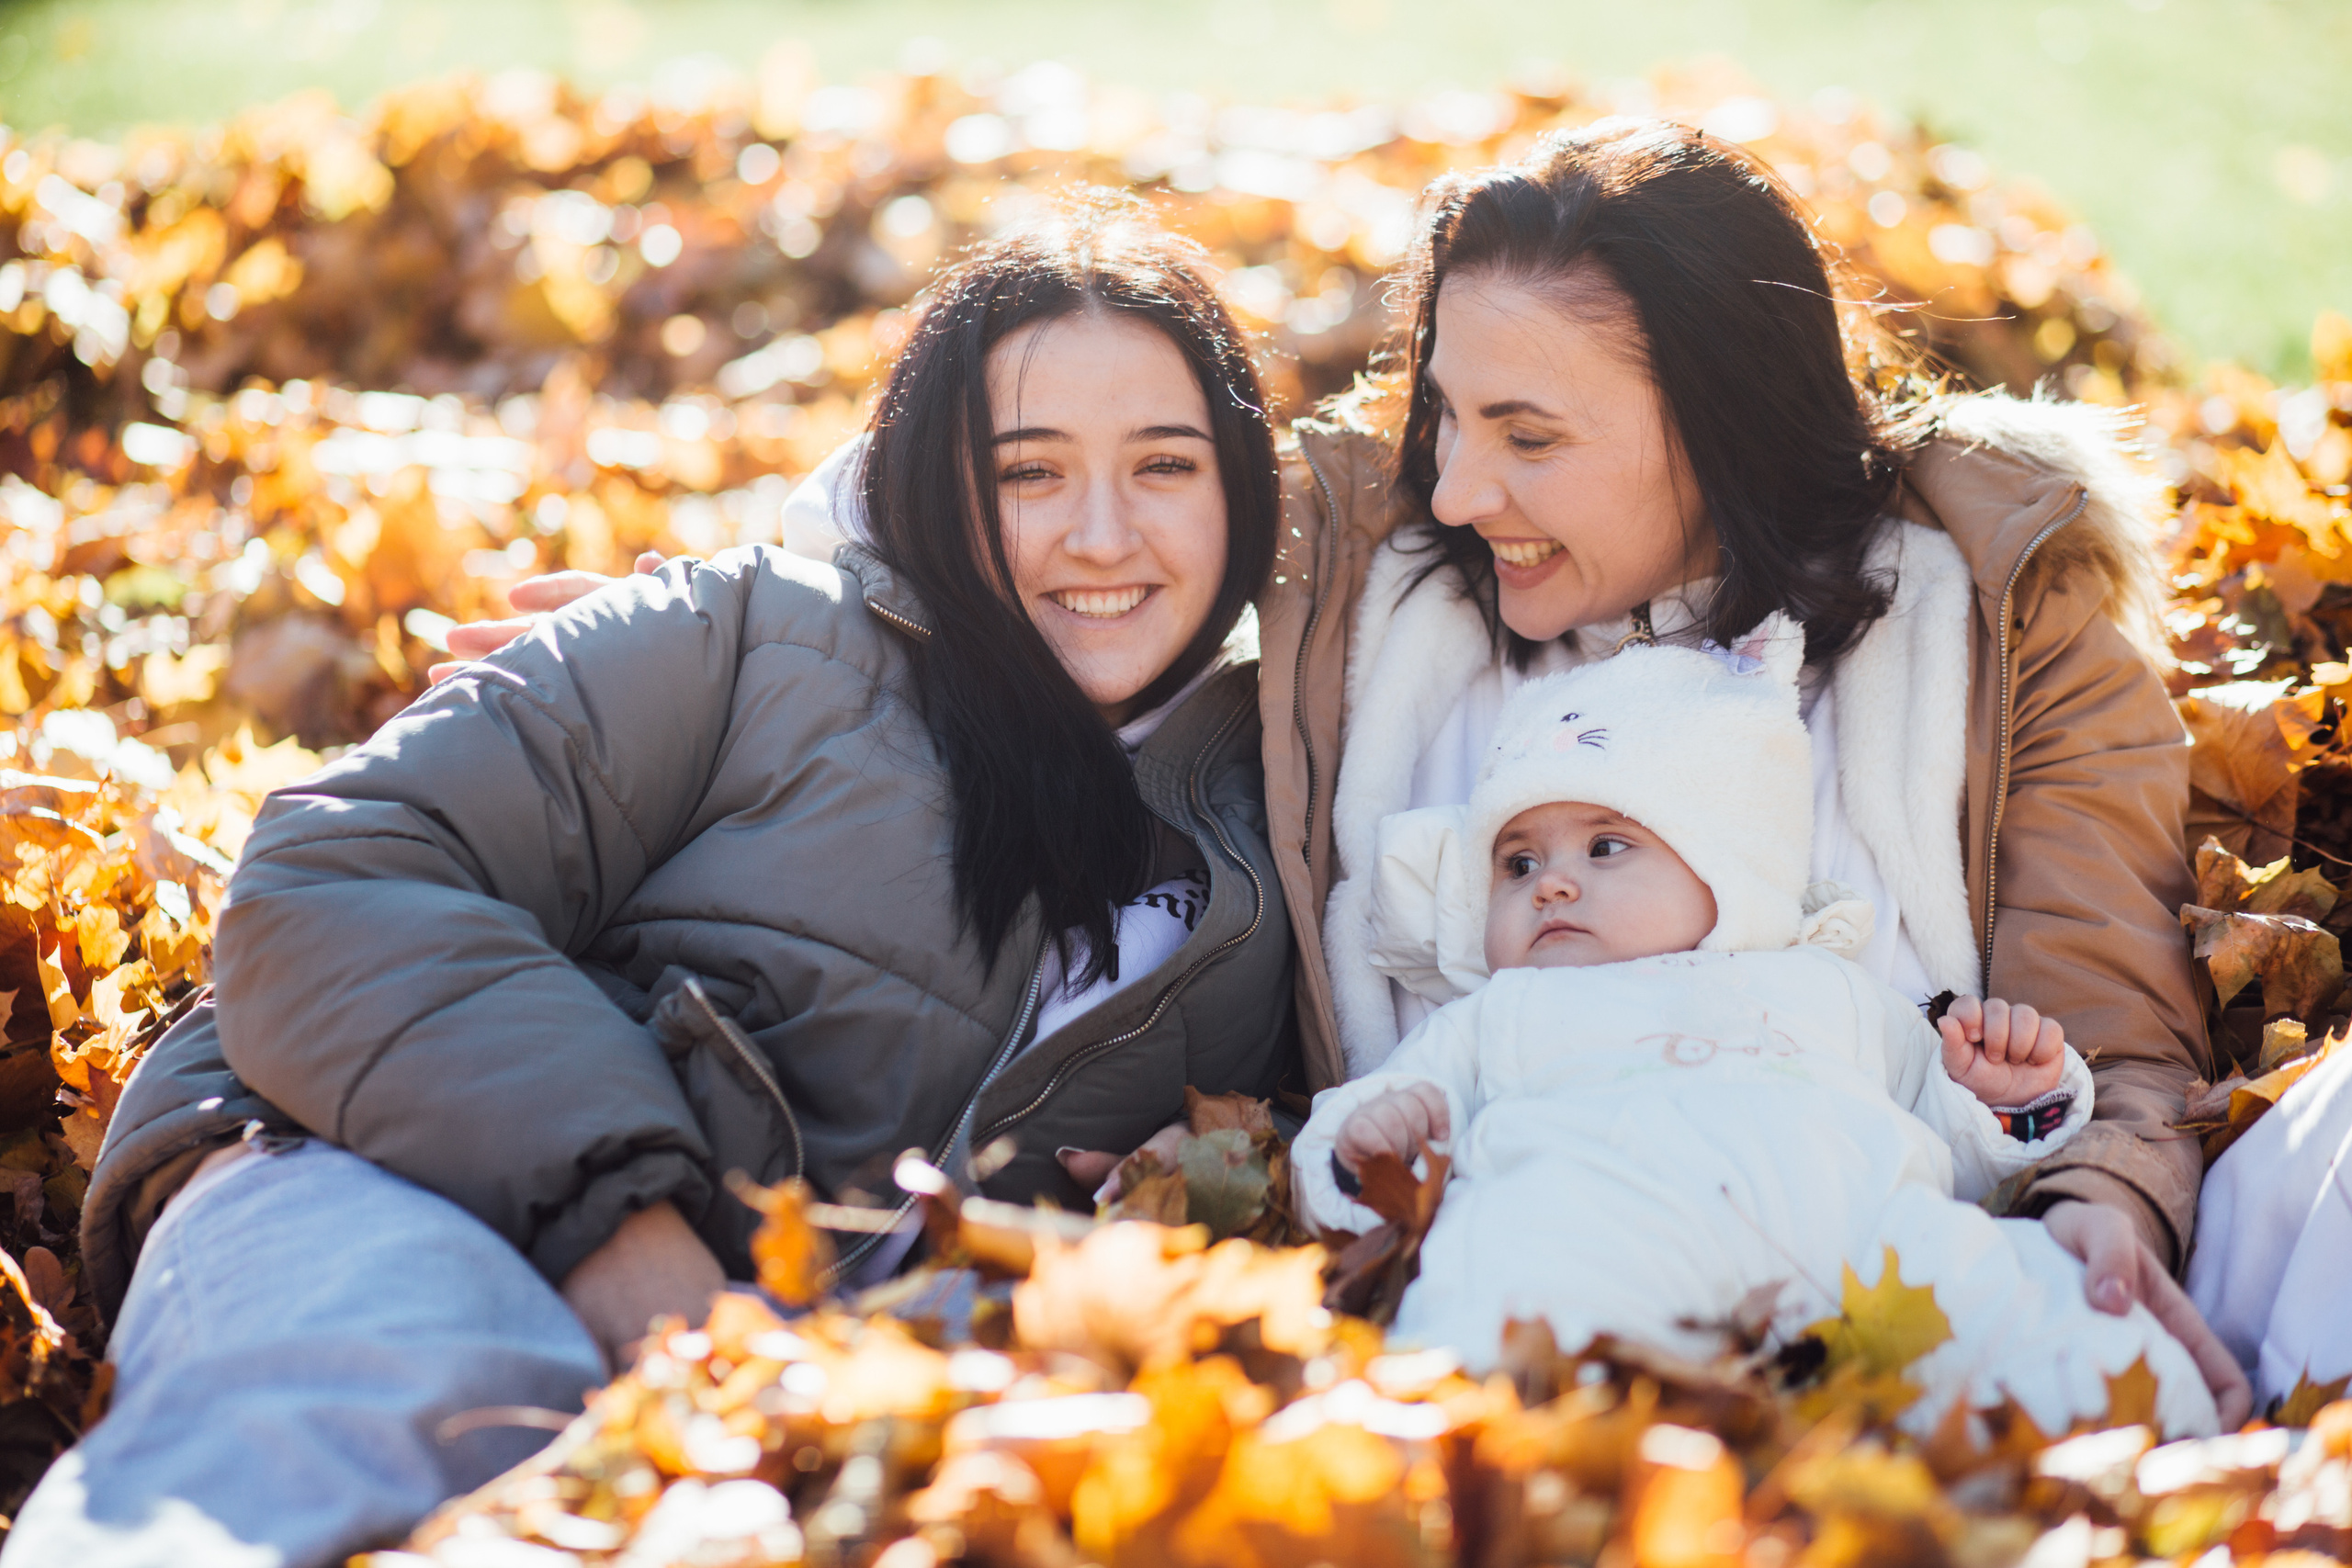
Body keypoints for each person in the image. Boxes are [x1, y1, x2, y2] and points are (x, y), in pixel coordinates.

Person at [441, 119, 2255, 1423]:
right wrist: (739, 608)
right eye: (1443, 413)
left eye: (1526, 434)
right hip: (1528, 1254)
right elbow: (1040, 474)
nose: (1455, 485)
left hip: (1907, 1232)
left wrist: (2094, 1193)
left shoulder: (1995, 601)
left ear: (1719, 424)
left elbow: (2100, 1007)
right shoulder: (1364, 576)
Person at [18, 209, 1296, 1567]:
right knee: (407, 1415)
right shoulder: (747, 632)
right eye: (1028, 471)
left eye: (1166, 463)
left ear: (1248, 493)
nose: (1103, 534)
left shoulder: (1261, 843)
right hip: (386, 1166)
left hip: (803, 1375)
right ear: (933, 482)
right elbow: (333, 873)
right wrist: (626, 1237)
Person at [1289, 629, 2220, 1439]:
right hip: (1603, 1232)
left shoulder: (1829, 989)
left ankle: (2120, 1424)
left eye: (1605, 846)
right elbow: (1354, 1149)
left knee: (2005, 1291)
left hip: (1864, 1239)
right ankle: (1479, 1453)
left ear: (1722, 867)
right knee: (1499, 1292)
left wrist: (2002, 1099)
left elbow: (1961, 1154)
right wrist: (1374, 1141)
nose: (1552, 884)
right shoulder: (1494, 1017)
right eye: (1517, 862)